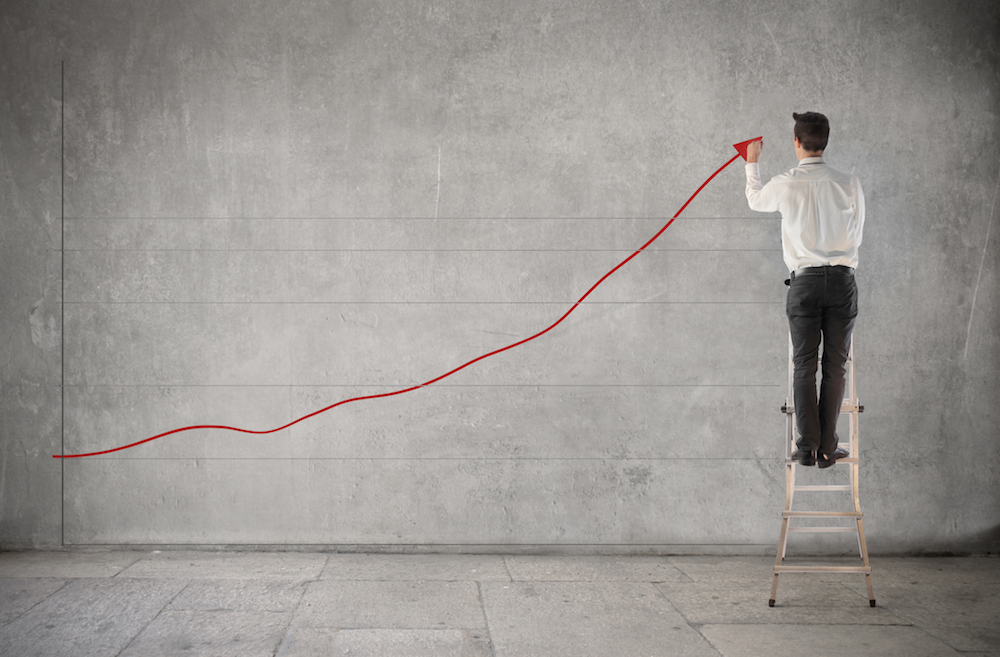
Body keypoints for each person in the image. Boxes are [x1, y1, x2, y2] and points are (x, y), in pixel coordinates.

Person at [744, 112, 866, 468]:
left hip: (805, 281)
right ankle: (828, 446)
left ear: (797, 142)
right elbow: (857, 233)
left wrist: (752, 163)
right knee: (835, 367)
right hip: (842, 280)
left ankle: (807, 447)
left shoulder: (786, 182)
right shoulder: (849, 182)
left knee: (803, 366)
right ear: (825, 141)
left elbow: (755, 199)